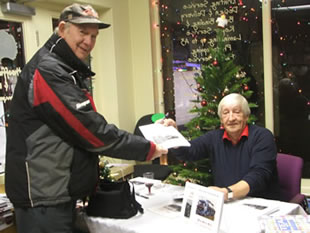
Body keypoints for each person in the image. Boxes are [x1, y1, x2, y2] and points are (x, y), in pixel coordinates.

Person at [5, 3, 167, 233]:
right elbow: (91, 132)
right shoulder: (48, 71)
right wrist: (150, 148)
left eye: (94, 35)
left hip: (57, 195)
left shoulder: (65, 68)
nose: (89, 42)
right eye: (83, 32)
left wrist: (154, 132)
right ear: (62, 29)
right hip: (44, 201)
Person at [162, 93, 282, 202]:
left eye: (236, 112)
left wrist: (227, 192)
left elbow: (258, 176)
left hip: (261, 204)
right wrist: (173, 135)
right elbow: (189, 151)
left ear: (246, 116)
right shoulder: (214, 138)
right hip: (227, 204)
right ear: (221, 120)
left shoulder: (262, 137)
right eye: (226, 113)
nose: (231, 118)